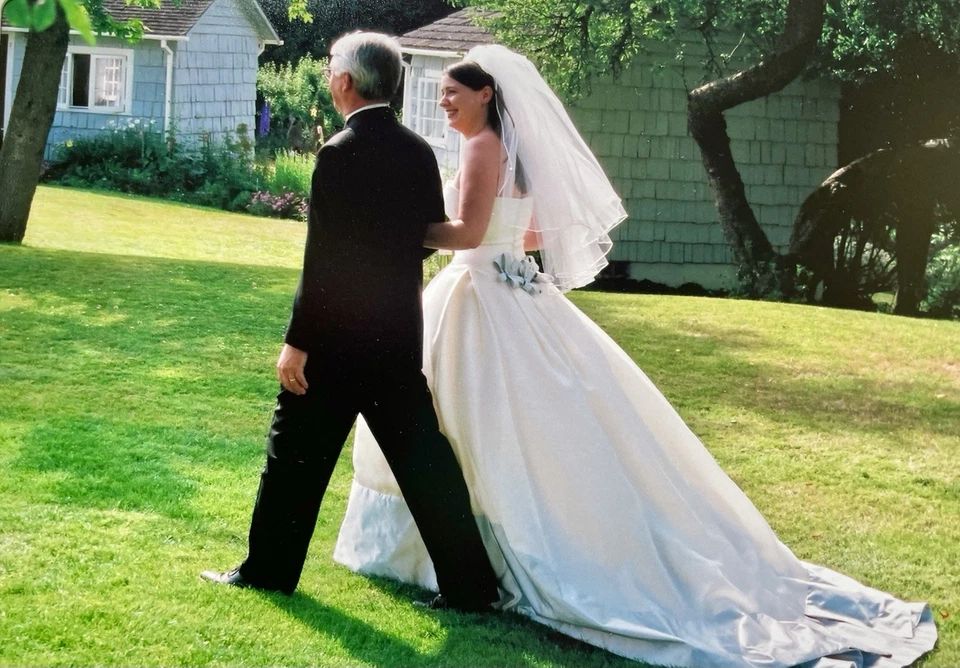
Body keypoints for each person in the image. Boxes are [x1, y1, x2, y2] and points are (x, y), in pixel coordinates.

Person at [333, 45, 938, 667]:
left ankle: (459, 553)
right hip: (508, 285)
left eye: (452, 92)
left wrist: (393, 228)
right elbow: (531, 231)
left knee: (468, 421)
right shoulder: (508, 149)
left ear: (485, 94)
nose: (442, 101)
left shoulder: (482, 147)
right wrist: (504, 244)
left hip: (479, 293)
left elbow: (465, 232)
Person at [201, 32, 499, 613]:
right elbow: (424, 238)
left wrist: (297, 342)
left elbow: (322, 259)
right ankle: (472, 588)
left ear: (345, 81)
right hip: (396, 335)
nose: (328, 77)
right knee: (424, 462)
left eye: (330, 69)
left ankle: (268, 573)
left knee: (293, 456)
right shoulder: (418, 151)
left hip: (336, 342)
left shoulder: (337, 152)